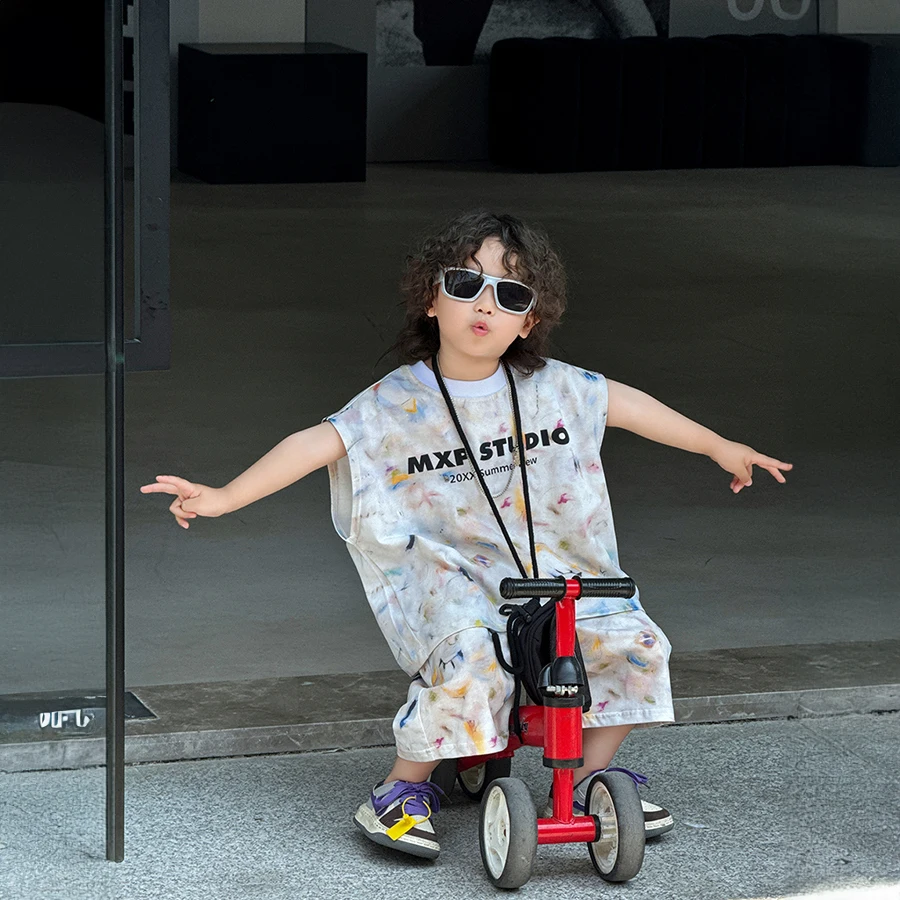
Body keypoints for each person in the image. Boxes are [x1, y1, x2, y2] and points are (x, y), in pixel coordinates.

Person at [140, 210, 793, 861]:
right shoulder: (394, 403)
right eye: (466, 284)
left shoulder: (557, 389)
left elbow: (630, 407)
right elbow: (315, 443)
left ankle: (593, 776)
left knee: (635, 642)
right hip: (453, 575)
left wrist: (718, 445)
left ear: (528, 321)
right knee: (471, 654)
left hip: (557, 570)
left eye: (510, 294)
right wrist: (223, 497)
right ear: (432, 299)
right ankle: (402, 788)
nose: (486, 305)